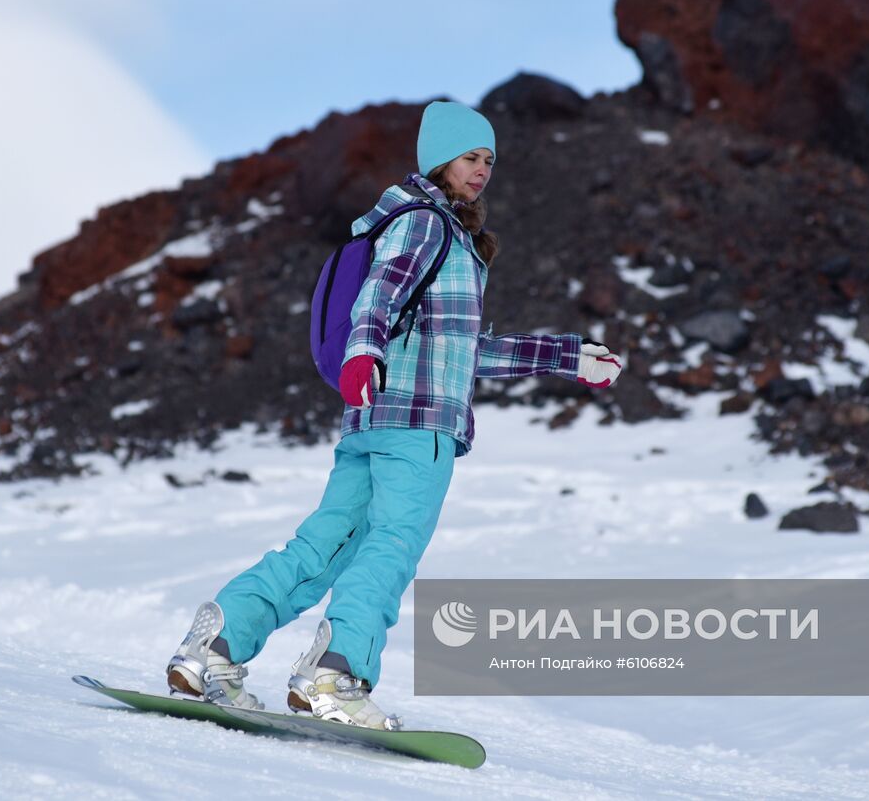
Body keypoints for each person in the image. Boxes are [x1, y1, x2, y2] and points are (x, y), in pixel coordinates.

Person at [166, 100, 625, 730]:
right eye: (470, 157)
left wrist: (566, 357)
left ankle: (212, 648)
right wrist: (362, 353)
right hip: (417, 426)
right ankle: (336, 673)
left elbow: (465, 351)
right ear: (440, 159)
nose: (482, 169)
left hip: (373, 417)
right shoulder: (426, 225)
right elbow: (378, 298)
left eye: (489, 159)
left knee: (324, 544)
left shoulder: (427, 229)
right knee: (392, 543)